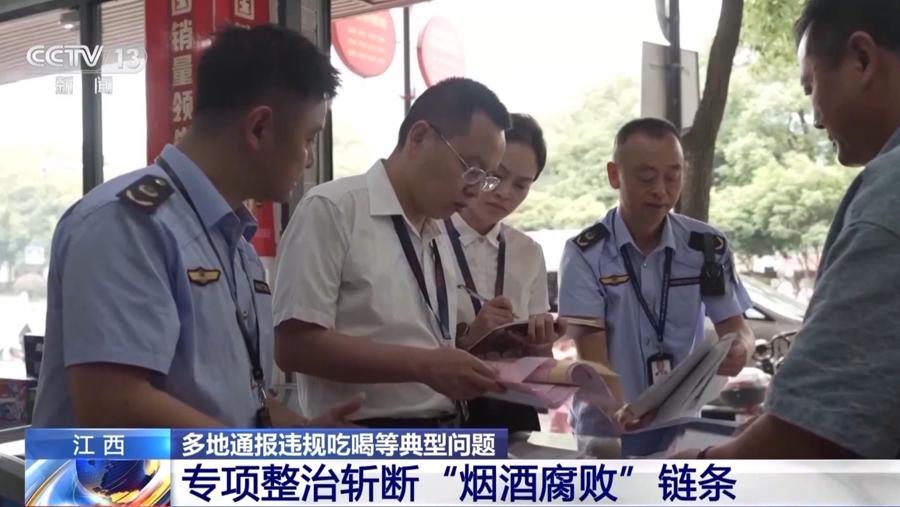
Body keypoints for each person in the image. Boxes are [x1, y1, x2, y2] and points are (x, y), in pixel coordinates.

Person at [31, 25, 361, 428]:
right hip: (127, 474)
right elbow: (114, 405)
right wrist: (260, 457)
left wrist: (303, 437)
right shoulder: (127, 224)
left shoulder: (235, 245)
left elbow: (241, 403)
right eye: (308, 138)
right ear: (259, 128)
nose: (308, 158)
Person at [675, 0, 900, 459]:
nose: (815, 117)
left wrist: (701, 470)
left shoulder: (888, 195)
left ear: (862, 59)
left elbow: (815, 431)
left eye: (811, 86)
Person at [272, 78, 512, 427]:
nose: (476, 190)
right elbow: (294, 347)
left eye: (486, 178)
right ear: (419, 137)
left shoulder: (438, 230)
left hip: (446, 428)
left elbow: (421, 341)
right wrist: (424, 365)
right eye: (470, 169)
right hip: (363, 434)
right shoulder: (334, 209)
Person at [557, 117, 754, 436]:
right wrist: (622, 414)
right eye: (646, 177)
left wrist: (741, 349)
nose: (661, 190)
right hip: (606, 432)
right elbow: (593, 358)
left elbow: (736, 327)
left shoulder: (705, 247)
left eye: (673, 176)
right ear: (614, 175)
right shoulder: (585, 254)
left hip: (682, 425)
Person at [445, 113, 564, 432]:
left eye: (521, 185)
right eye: (496, 176)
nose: (505, 192)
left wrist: (540, 344)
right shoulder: (430, 237)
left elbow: (543, 360)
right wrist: (471, 338)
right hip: (445, 412)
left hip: (513, 411)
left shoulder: (528, 251)